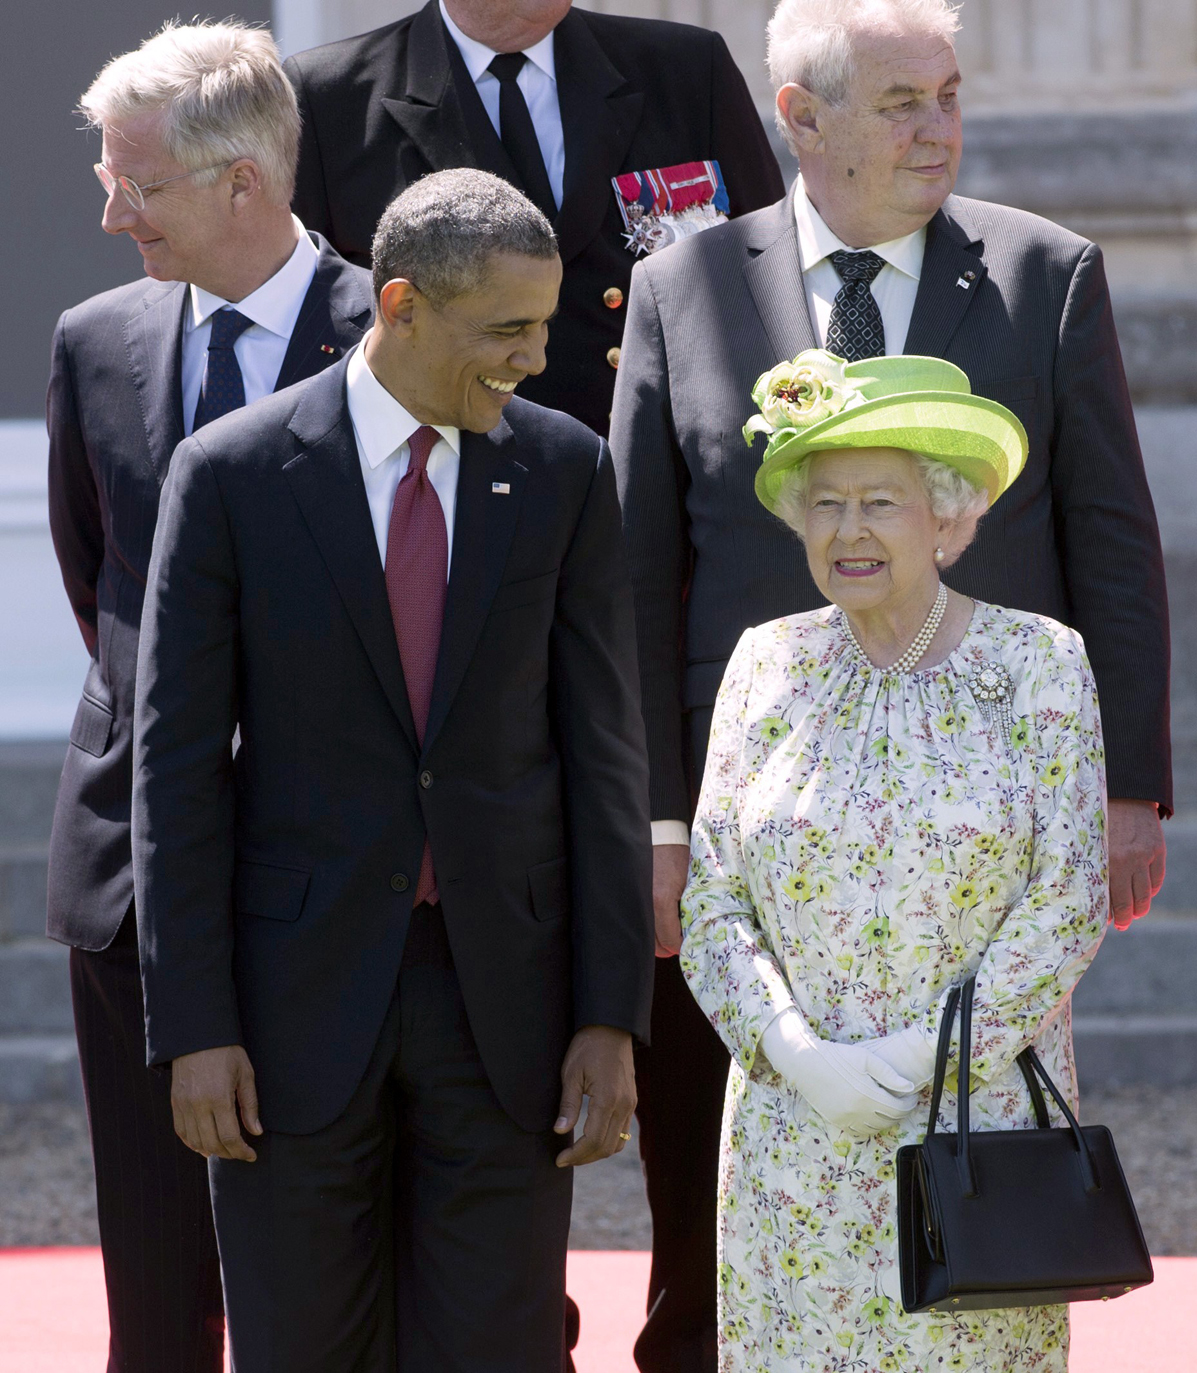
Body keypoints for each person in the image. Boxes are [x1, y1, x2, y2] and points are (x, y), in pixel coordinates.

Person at [610, 4, 1168, 1354]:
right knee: (728, 1168)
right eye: (904, 100)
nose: (941, 127)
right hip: (768, 809)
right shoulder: (685, 284)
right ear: (801, 117)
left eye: (950, 94)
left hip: (982, 813)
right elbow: (634, 568)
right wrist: (661, 819)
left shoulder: (1047, 271)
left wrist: (1130, 790)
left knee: (973, 1162)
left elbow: (1110, 531)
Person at [130, 168, 654, 1373]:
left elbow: (602, 752)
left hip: (506, 1005)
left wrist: (606, 1011)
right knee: (302, 1342)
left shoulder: (565, 469)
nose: (534, 357)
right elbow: (176, 770)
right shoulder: (231, 473)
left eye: (545, 324)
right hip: (288, 1013)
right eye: (506, 330)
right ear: (404, 303)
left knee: (499, 1346)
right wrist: (195, 1022)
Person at [45, 23, 373, 1372]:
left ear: (245, 181)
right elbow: (103, 584)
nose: (112, 211)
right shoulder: (95, 340)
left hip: (339, 882)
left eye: (139, 183)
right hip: (134, 874)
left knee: (330, 1271)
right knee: (157, 1282)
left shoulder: (391, 340)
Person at [680, 348, 1109, 1371]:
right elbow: (712, 900)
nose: (849, 530)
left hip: (973, 1132)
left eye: (882, 500)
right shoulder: (765, 661)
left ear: (948, 516)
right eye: (824, 503)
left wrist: (923, 1061)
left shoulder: (1039, 663)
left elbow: (1070, 896)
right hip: (797, 1140)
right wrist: (800, 1056)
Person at [283, 0, 784, 439]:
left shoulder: (687, 69)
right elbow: (316, 320)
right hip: (455, 480)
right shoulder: (331, 98)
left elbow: (771, 270)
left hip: (654, 471)